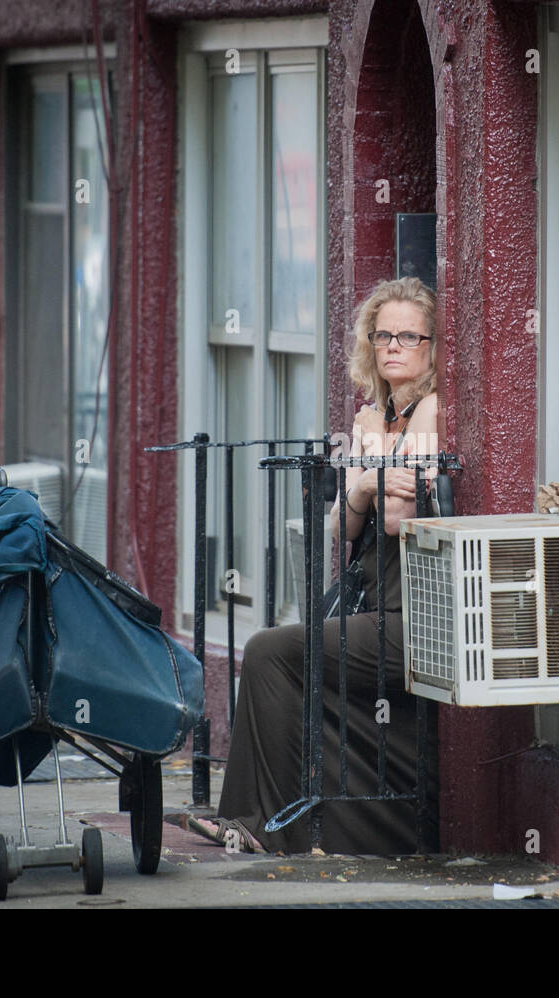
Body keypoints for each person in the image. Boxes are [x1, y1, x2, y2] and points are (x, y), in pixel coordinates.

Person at [188, 277, 441, 855]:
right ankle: (257, 822)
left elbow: (401, 521)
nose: (394, 346)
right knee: (276, 656)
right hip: (370, 603)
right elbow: (341, 526)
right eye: (383, 335)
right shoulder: (375, 415)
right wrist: (366, 482)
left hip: (415, 615)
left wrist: (368, 464)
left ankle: (263, 825)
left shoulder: (428, 410)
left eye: (409, 335)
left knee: (269, 651)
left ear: (432, 347)